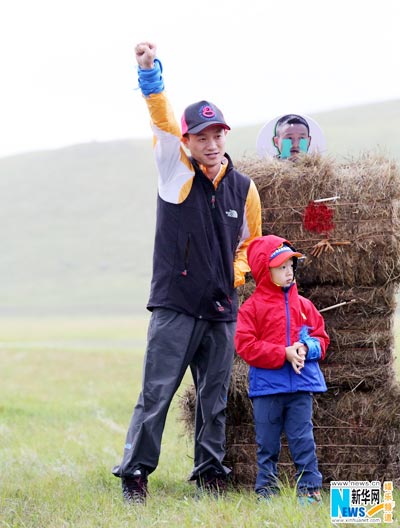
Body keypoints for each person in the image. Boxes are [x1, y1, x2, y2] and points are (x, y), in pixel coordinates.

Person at [112, 42, 262, 503]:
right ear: (188, 141)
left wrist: (235, 276)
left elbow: (251, 245)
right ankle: (135, 474)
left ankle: (211, 472)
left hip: (221, 311)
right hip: (175, 307)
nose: (212, 144)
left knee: (213, 402)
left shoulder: (244, 187)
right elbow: (159, 118)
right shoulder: (174, 172)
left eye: (218, 134)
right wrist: (149, 73)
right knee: (156, 396)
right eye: (202, 136)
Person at [234, 234, 329, 504]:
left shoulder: (305, 306)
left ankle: (309, 490)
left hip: (300, 387)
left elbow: (322, 339)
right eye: (281, 267)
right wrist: (282, 353)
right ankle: (266, 491)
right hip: (267, 389)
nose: (289, 272)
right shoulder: (252, 309)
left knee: (303, 440)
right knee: (267, 443)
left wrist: (305, 349)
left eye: (291, 266)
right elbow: (245, 346)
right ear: (266, 271)